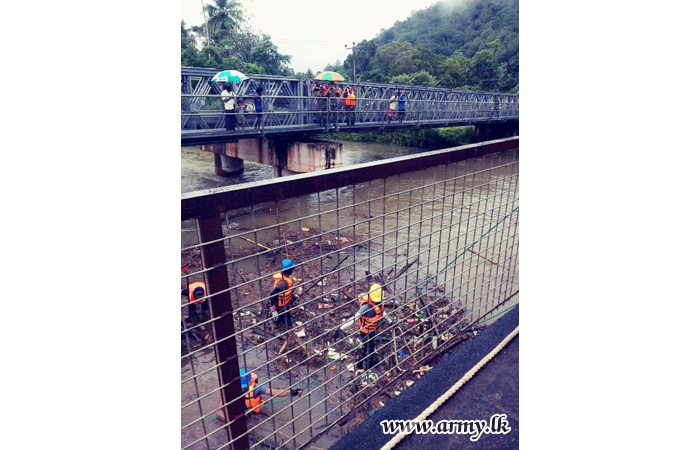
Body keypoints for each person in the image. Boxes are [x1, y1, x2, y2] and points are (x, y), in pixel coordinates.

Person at [216, 368, 303, 420]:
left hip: (253, 412)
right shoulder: (230, 390)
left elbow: (276, 392)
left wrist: (293, 392)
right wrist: (230, 420)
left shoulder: (257, 388)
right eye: (240, 386)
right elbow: (219, 410)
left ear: (249, 382)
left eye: (244, 386)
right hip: (238, 417)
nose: (242, 389)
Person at [335, 283, 385, 371]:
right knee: (366, 347)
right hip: (365, 332)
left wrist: (390, 321)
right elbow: (354, 318)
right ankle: (364, 365)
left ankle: (365, 361)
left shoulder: (379, 303)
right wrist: (341, 328)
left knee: (371, 345)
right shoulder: (366, 307)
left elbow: (382, 312)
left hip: (373, 330)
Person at [269, 259, 302, 328]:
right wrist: (273, 308)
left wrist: (292, 296)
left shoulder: (286, 277)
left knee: (286, 314)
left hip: (285, 301)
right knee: (281, 317)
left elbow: (287, 290)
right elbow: (272, 295)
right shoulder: (283, 283)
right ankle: (277, 324)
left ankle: (286, 322)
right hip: (279, 304)